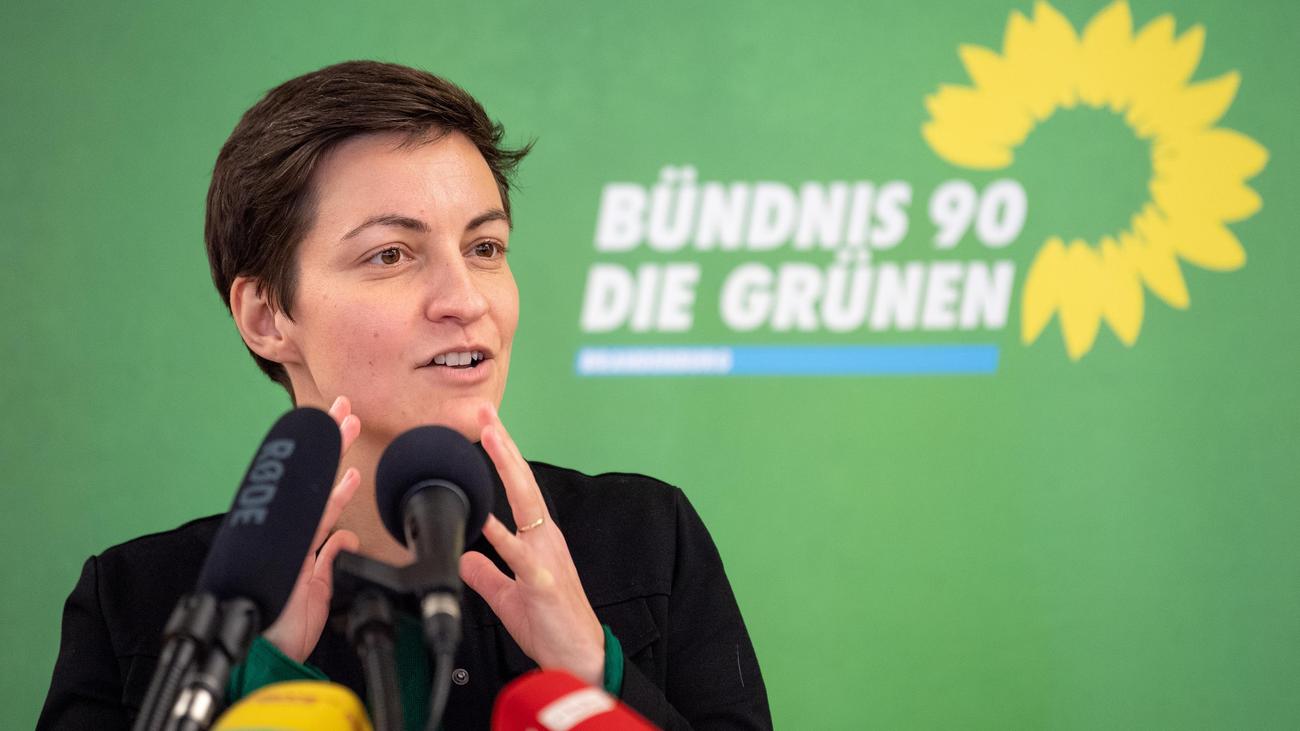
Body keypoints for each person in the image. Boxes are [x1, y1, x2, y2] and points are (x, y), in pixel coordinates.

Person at [38, 61, 770, 730]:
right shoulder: (132, 604)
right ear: (267, 316)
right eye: (391, 254)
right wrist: (250, 686)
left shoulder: (648, 541)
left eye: (484, 248)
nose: (465, 299)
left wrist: (591, 672)